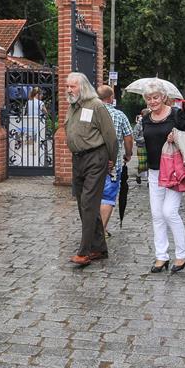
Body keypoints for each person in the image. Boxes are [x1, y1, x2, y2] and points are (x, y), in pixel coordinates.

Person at [64, 73, 117, 267]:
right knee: (84, 204)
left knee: (88, 203)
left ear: (83, 86)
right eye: (67, 86)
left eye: (73, 86)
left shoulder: (96, 105)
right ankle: (99, 248)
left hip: (96, 157)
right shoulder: (73, 106)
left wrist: (111, 159)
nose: (69, 90)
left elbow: (110, 136)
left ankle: (84, 251)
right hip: (78, 159)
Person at [141, 82, 185, 273]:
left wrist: (176, 136)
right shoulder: (146, 118)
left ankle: (182, 253)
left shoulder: (176, 115)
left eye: (155, 97)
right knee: (157, 215)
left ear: (163, 97)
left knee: (169, 212)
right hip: (154, 171)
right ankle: (161, 256)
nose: (152, 101)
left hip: (174, 170)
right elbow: (143, 140)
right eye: (148, 98)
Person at [97, 85, 133, 234]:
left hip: (91, 163)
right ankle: (100, 231)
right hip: (112, 163)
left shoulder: (90, 113)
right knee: (107, 196)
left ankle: (91, 230)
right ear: (111, 98)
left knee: (92, 196)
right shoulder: (119, 115)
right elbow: (128, 138)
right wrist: (128, 154)